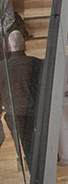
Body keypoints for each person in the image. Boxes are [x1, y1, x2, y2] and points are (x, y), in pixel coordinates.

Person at [0, 29, 41, 167]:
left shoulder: (1, 68)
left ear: (9, 47)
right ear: (24, 45)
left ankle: (33, 168)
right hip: (36, 111)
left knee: (26, 144)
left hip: (15, 113)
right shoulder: (37, 63)